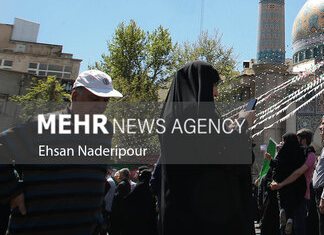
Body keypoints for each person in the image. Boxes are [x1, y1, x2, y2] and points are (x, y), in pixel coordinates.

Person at [0, 69, 122, 235]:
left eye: (105, 100)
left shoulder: (105, 129)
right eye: (93, 98)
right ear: (75, 96)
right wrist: (12, 192)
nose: (100, 105)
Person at [157, 61, 254, 235]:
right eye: (214, 86)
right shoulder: (196, 115)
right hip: (204, 216)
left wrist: (227, 132)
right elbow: (224, 156)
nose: (216, 93)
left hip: (178, 212)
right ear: (201, 85)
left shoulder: (170, 117)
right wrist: (242, 124)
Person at [271, 132, 307, 234]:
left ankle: (282, 210)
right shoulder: (300, 151)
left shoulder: (283, 152)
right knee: (294, 204)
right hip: (297, 184)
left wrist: (270, 160)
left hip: (282, 183)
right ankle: (290, 219)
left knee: (283, 200)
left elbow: (276, 165)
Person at [122, 169, 158, 235]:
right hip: (148, 218)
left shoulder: (140, 186)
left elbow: (129, 199)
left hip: (138, 217)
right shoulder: (150, 187)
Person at [111, 168, 132, 235]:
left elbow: (118, 197)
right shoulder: (127, 183)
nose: (118, 175)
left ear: (123, 174)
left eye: (120, 173)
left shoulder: (122, 184)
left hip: (118, 212)